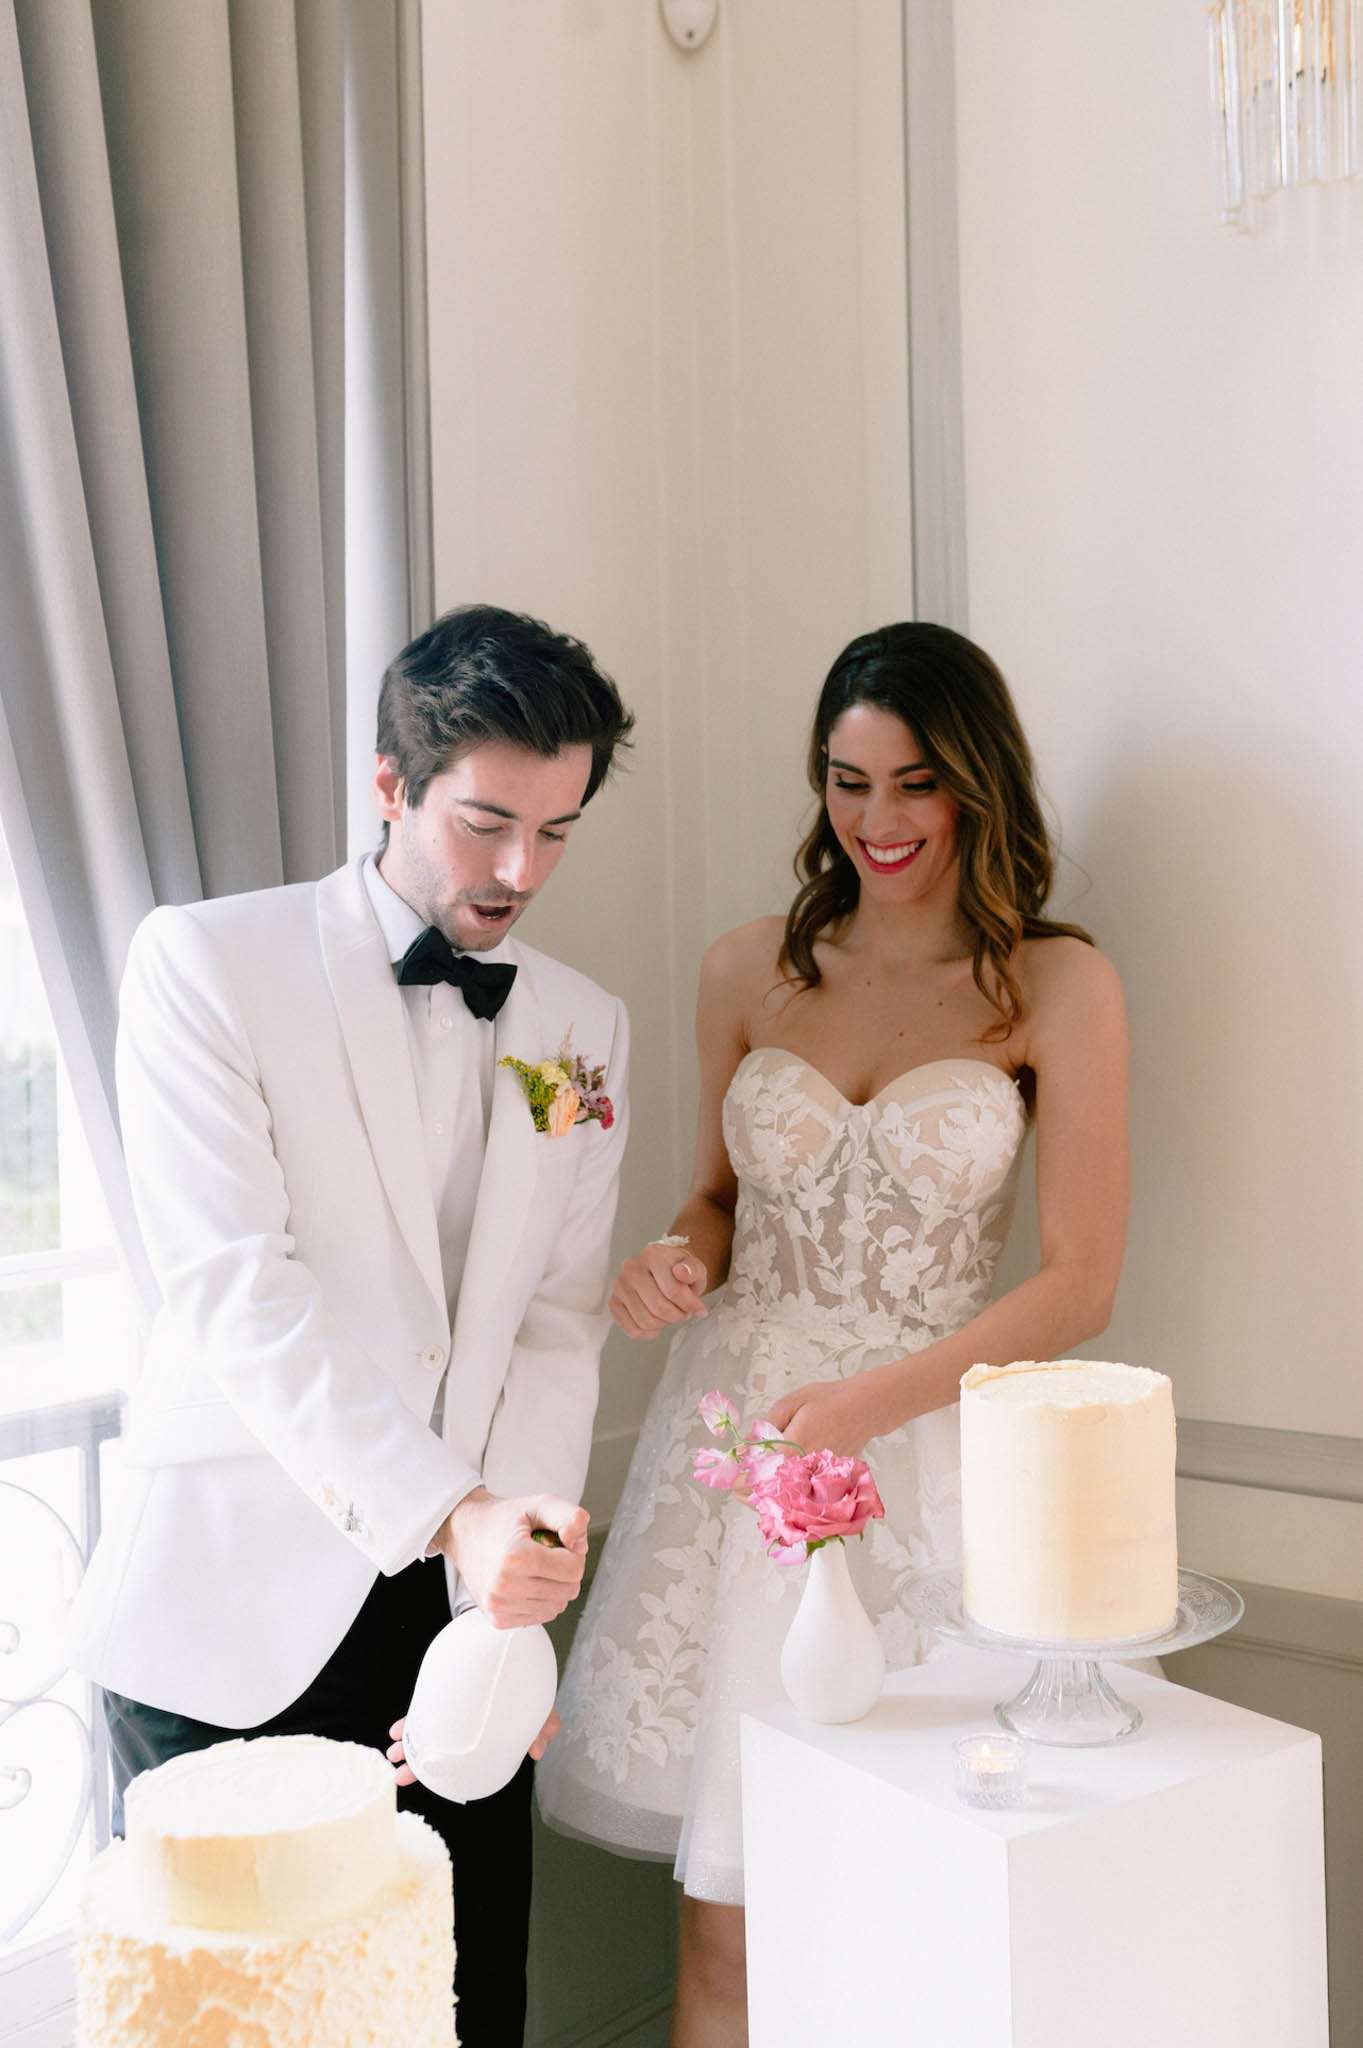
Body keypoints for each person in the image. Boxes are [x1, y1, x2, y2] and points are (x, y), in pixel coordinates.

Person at [537, 620, 1129, 2048]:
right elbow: (715, 1200)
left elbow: (1078, 1284)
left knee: (940, 1905)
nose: (876, 821)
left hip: (934, 1462)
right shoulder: (749, 967)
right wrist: (674, 1263)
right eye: (846, 782)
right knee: (726, 1929)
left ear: (976, 784)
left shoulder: (1057, 988)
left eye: (913, 783)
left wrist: (875, 1401)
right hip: (738, 1458)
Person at [66, 603, 634, 2048]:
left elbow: (561, 1320)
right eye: (486, 822)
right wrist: (459, 1515)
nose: (521, 873)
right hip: (234, 1612)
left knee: (459, 2004)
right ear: (391, 784)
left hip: (457, 1623)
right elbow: (233, 1290)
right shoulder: (205, 964)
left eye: (558, 831)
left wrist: (523, 1564)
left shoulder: (579, 1028)